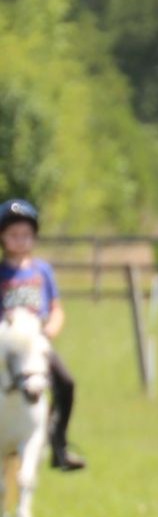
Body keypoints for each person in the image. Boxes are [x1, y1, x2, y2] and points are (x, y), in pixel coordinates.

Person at [0, 198, 85, 472]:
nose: (20, 240)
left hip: (35, 346)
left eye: (26, 235)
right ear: (2, 238)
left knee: (67, 383)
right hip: (6, 346)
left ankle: (58, 444)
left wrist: (50, 330)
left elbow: (56, 309)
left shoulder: (42, 271)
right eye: (14, 235)